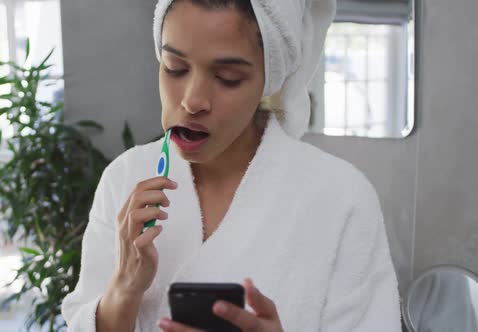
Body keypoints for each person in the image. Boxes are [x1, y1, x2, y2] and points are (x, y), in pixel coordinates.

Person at [61, 0, 402, 331]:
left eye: (228, 77)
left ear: (269, 79)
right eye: (175, 68)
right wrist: (124, 287)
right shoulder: (125, 177)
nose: (192, 101)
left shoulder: (342, 197)